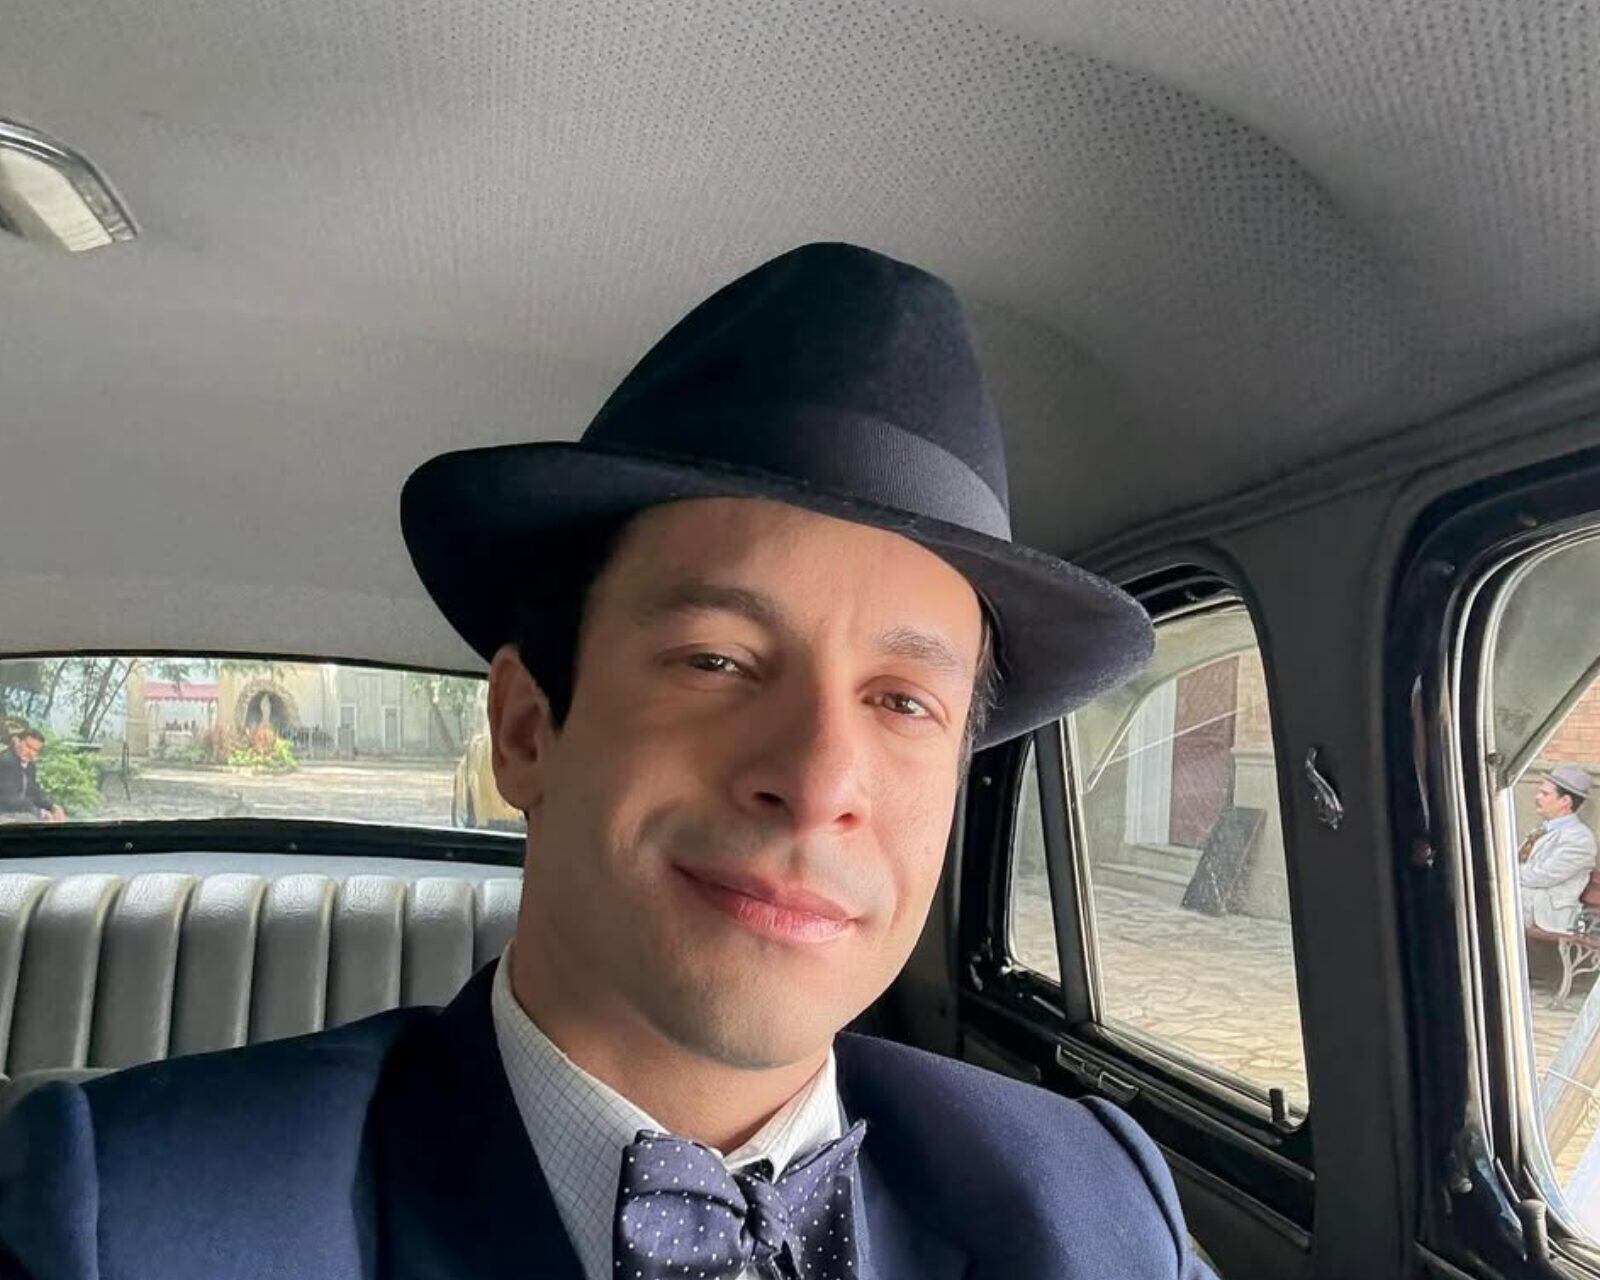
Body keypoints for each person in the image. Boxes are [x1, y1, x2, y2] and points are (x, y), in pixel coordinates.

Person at [0, 244, 1210, 1279]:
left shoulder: (1091, 1207)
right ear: (527, 730)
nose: (819, 781)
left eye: (902, 700)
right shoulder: (137, 1220)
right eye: (717, 660)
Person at [1519, 763, 1596, 933]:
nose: (1537, 797)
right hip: (1528, 901)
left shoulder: (1580, 839)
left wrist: (1504, 873)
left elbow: (1541, 876)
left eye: (1545, 794)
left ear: (1565, 801)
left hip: (1546, 914)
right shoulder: (1542, 829)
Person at [0, 728, 65, 823]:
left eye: (35, 750)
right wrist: (39, 812)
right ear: (18, 742)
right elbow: (9, 800)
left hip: (19, 814)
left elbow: (34, 792)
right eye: (27, 746)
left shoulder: (30, 765)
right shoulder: (6, 762)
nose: (30, 752)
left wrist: (52, 806)